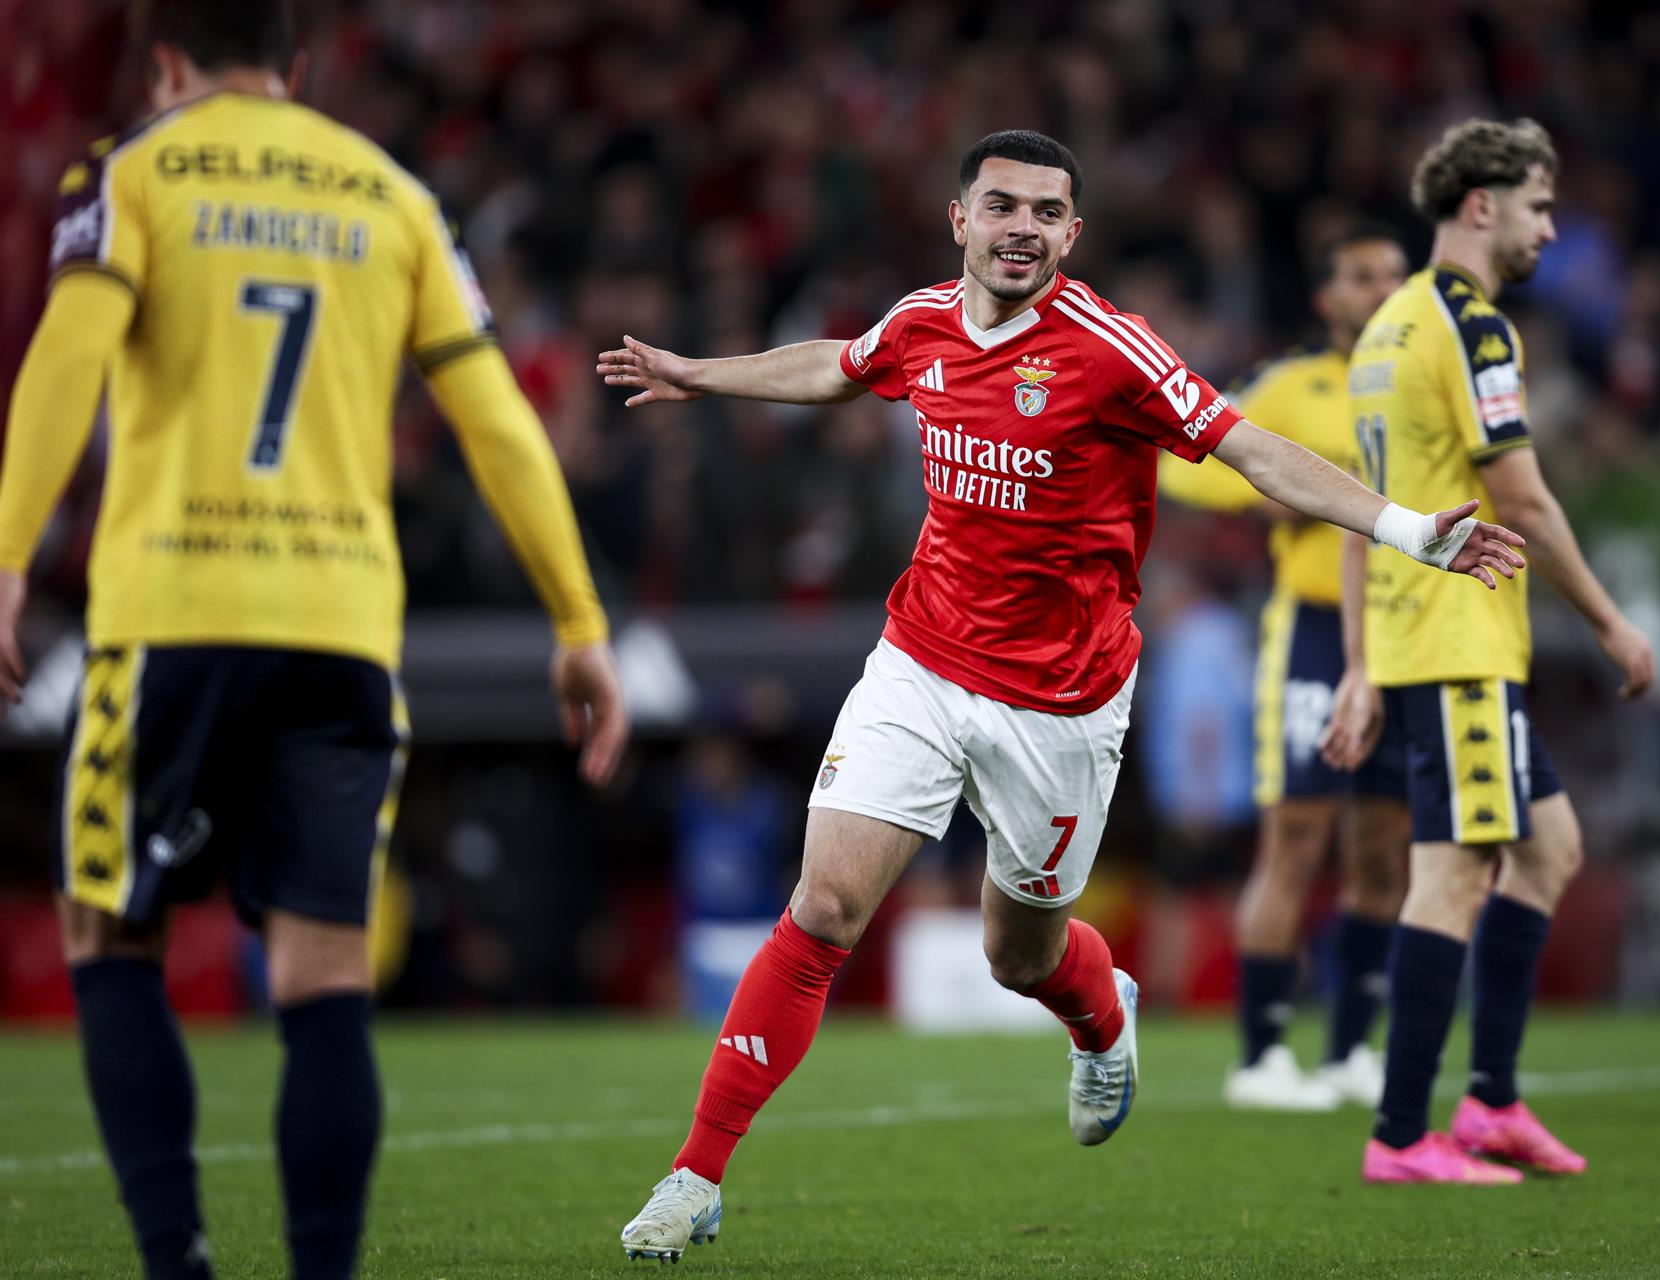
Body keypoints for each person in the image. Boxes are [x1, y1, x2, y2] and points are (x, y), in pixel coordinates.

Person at [597, 128, 1525, 1260]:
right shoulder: (925, 319)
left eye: (1045, 212)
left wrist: (1411, 530)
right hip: (922, 662)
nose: (1021, 228)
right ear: (961, 219)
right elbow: (840, 363)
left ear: (1072, 234)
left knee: (1019, 953)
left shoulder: (1112, 348)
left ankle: (1100, 1016)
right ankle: (695, 1173)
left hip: (1064, 701)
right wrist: (699, 374)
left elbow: (1250, 451)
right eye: (1002, 206)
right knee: (827, 907)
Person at [0, 3, 628, 1276]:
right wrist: (579, 620)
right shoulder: (392, 196)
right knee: (324, 967)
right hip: (342, 629)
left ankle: (176, 1257)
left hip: (168, 617)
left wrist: (7, 556)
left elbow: (64, 357)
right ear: (296, 67)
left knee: (108, 934)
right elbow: (499, 417)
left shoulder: (130, 172)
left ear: (165, 62)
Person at [1319, 118, 1655, 1185]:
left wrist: (1364, 661)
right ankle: (1402, 1131)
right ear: (1482, 205)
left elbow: (1354, 512)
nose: (1549, 231)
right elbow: (1521, 496)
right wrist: (1608, 616)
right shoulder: (1471, 327)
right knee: (1455, 874)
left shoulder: (1385, 329)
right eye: (1540, 207)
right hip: (1459, 641)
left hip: (1428, 640)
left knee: (1548, 847)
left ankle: (1493, 1102)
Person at [1158, 226, 1413, 1111]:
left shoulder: (1425, 386)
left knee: (1385, 851)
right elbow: (1191, 464)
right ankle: (1262, 1053)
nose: (1380, 287)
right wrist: (1288, 497)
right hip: (1311, 630)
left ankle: (1350, 1051)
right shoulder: (1292, 386)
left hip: (1412, 634)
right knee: (1297, 837)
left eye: (1392, 273)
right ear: (1327, 298)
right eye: (1360, 275)